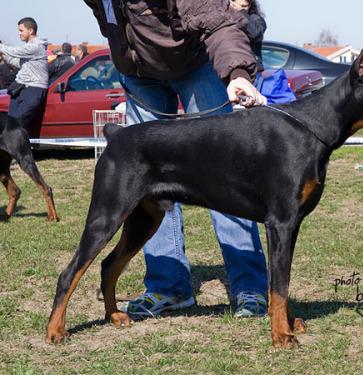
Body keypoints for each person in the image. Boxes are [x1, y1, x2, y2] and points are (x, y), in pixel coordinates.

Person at [84, 0, 269, 318]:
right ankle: (168, 288)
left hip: (194, 67)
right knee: (148, 184)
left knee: (224, 175)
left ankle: (250, 288)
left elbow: (218, 21)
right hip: (141, 76)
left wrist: (237, 72)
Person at [0, 17, 48, 129]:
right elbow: (17, 62)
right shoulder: (29, 47)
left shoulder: (36, 47)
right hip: (20, 87)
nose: (19, 33)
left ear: (30, 31)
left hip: (33, 89)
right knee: (11, 123)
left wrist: (1, 48)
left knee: (16, 126)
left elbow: (15, 51)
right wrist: (4, 56)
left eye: (21, 30)